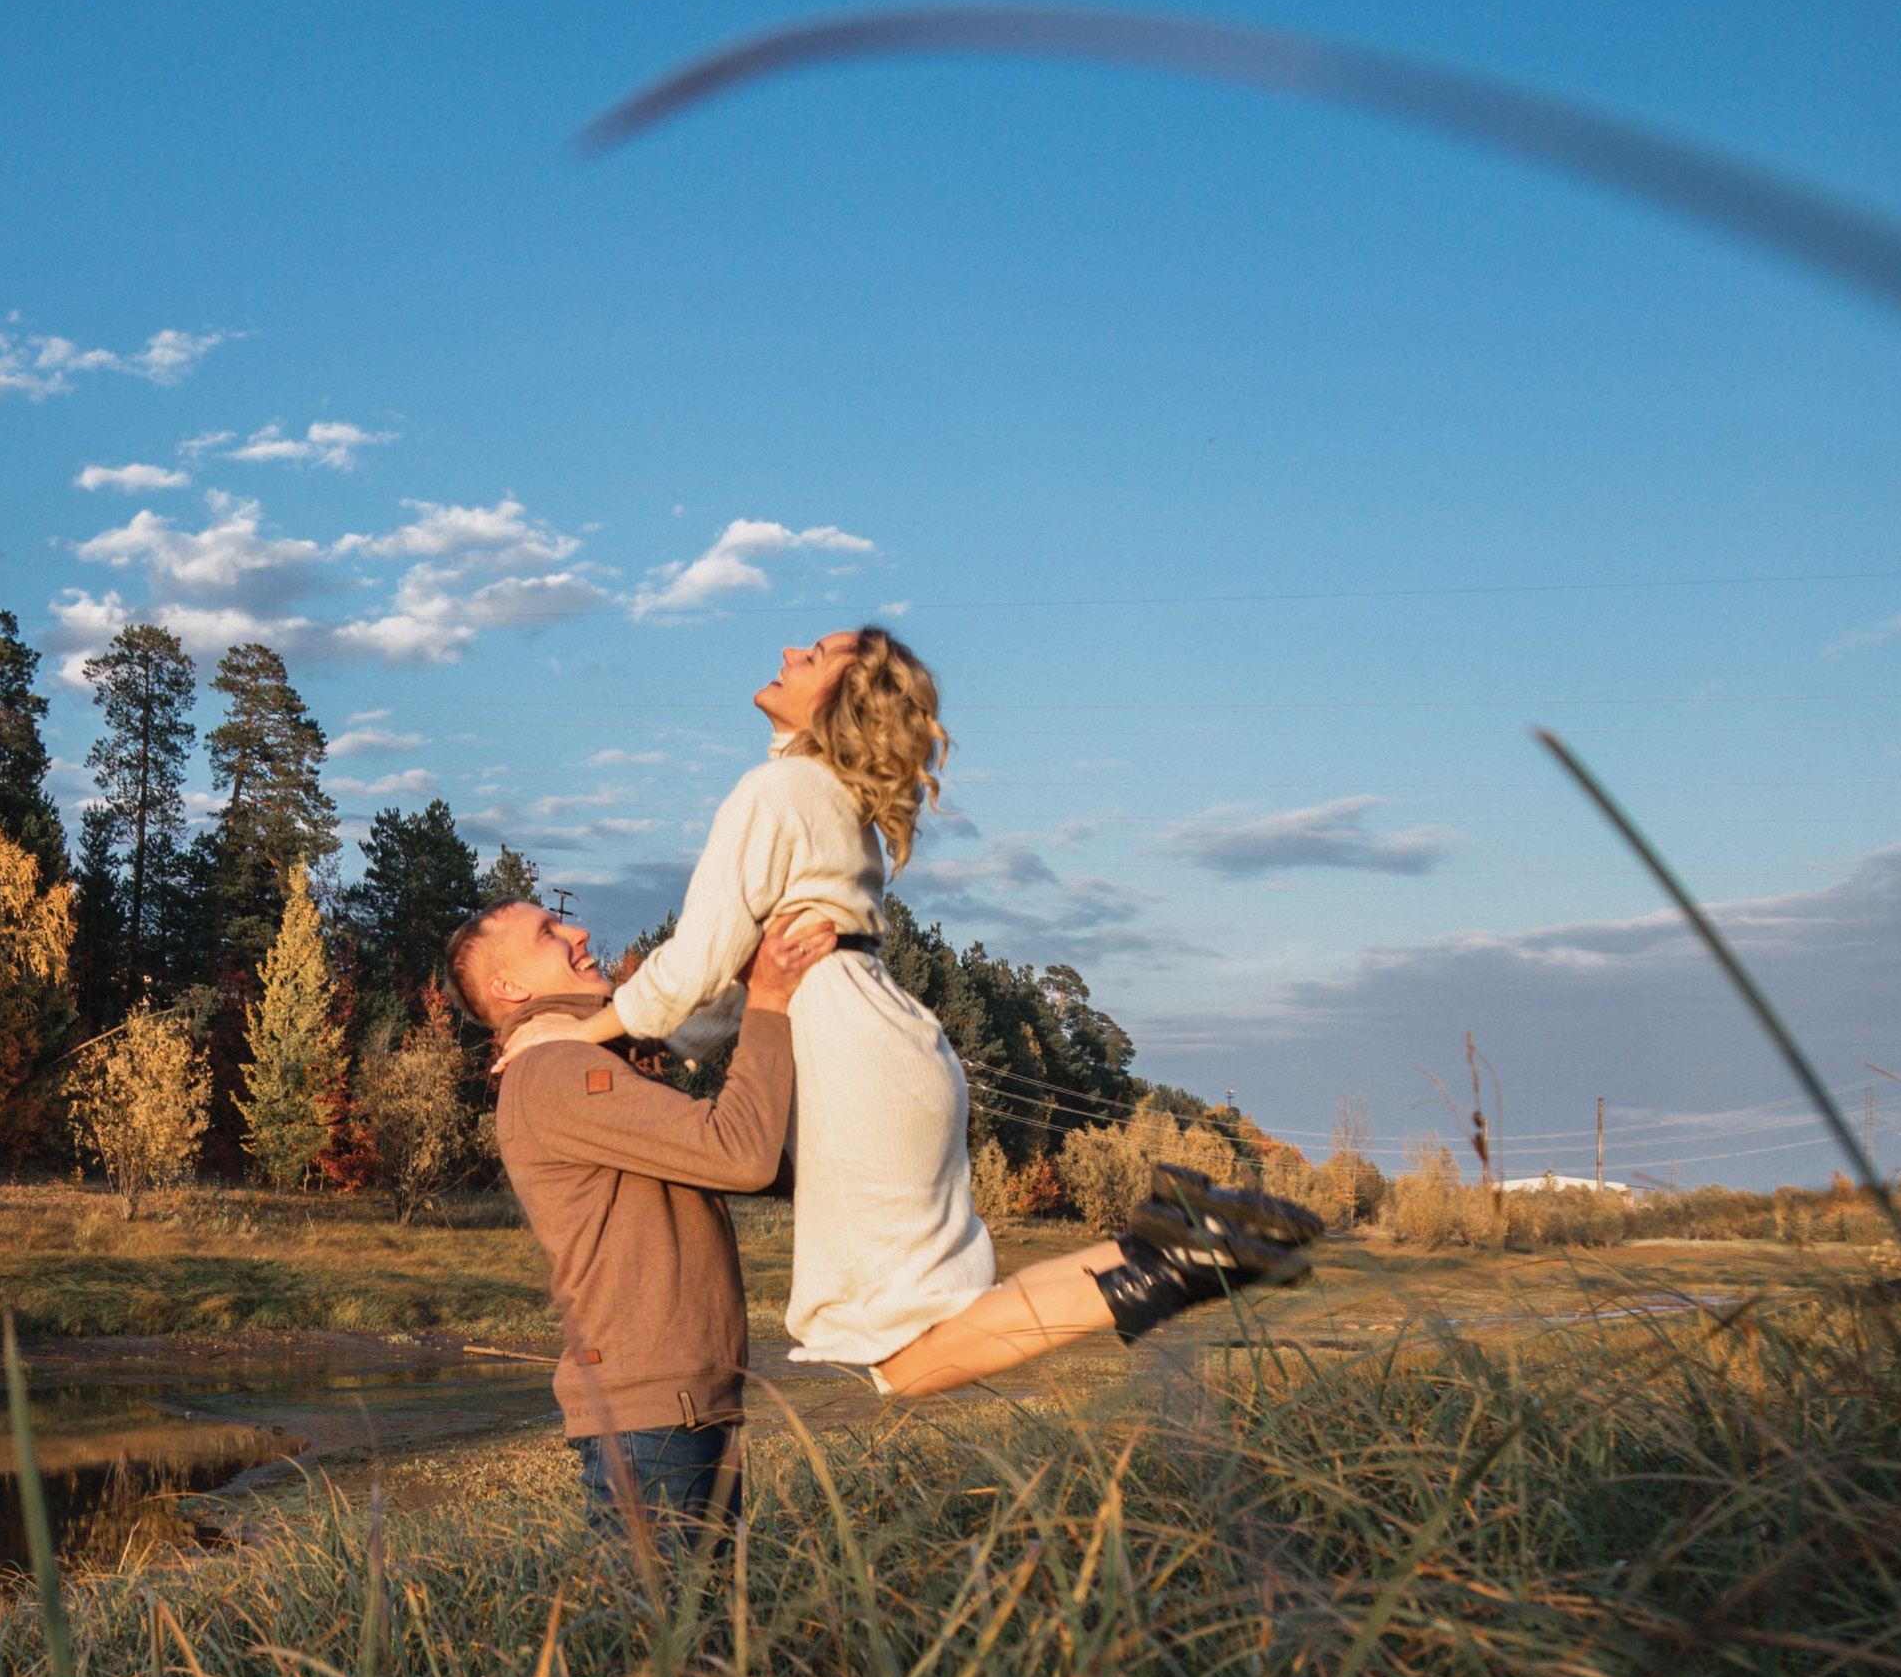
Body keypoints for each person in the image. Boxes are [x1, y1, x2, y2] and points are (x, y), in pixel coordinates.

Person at [546, 624, 1318, 1402]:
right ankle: (1169, 1243)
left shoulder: (775, 791)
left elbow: (695, 964)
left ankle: (1180, 1258)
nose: (786, 653)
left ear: (841, 702)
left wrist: (573, 1040)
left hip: (853, 1064)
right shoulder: (831, 800)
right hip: (891, 1046)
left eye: (811, 657)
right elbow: (738, 987)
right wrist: (656, 1038)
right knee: (943, 1321)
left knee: (906, 1357)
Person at [449, 893, 837, 1541]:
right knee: (670, 1636)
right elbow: (742, 1154)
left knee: (693, 1628)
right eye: (549, 932)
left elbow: (765, 1162)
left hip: (676, 1411)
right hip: (654, 1423)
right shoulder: (556, 1070)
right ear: (508, 985)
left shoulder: (591, 1060)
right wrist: (767, 999)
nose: (578, 929)